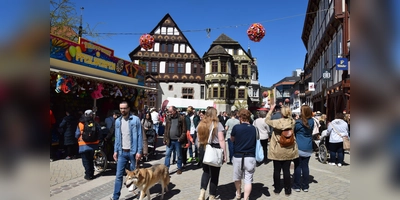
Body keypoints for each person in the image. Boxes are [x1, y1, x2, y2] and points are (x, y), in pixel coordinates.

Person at [110, 101, 143, 200]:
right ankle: (115, 197)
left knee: (136, 175)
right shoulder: (118, 121)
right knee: (118, 175)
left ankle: (140, 193)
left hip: (133, 152)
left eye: (124, 108)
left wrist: (139, 151)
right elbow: (117, 137)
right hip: (121, 152)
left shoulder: (135, 120)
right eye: (121, 108)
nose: (123, 110)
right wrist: (115, 151)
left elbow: (139, 136)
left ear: (128, 109)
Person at [265, 105, 298, 196]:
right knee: (286, 170)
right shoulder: (292, 122)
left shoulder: (277, 122)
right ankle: (288, 190)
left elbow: (266, 120)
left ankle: (277, 189)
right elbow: (291, 118)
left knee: (276, 170)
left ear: (281, 113)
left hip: (277, 149)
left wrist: (271, 110)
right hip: (288, 149)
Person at [196, 107, 227, 200]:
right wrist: (225, 153)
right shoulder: (217, 124)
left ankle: (202, 192)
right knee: (214, 173)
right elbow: (221, 140)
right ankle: (212, 195)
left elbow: (198, 138)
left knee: (205, 171)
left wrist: (199, 150)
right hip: (214, 148)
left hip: (203, 148)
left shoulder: (201, 124)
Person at [231, 109, 257, 200]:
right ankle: (246, 198)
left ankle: (238, 193)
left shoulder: (236, 127)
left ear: (240, 117)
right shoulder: (254, 128)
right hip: (250, 156)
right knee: (248, 179)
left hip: (238, 156)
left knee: (237, 177)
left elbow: (232, 139)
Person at [293, 105, 314, 192]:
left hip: (299, 146)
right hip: (308, 146)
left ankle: (297, 186)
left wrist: (297, 120)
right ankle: (305, 186)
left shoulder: (298, 122)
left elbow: (294, 131)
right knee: (305, 166)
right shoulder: (312, 121)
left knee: (298, 166)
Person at [75, 109, 100, 180]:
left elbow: (77, 134)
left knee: (85, 160)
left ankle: (88, 175)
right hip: (93, 145)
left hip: (83, 145)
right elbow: (99, 132)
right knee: (91, 159)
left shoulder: (81, 123)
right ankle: (92, 173)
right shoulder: (95, 123)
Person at [163, 106, 187, 175]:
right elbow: (166, 129)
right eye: (168, 112)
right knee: (167, 155)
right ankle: (166, 169)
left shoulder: (181, 118)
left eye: (170, 112)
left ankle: (179, 168)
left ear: (175, 111)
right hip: (170, 140)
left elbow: (184, 130)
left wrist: (181, 138)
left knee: (179, 155)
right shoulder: (168, 118)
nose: (169, 113)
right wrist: (165, 138)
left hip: (177, 140)